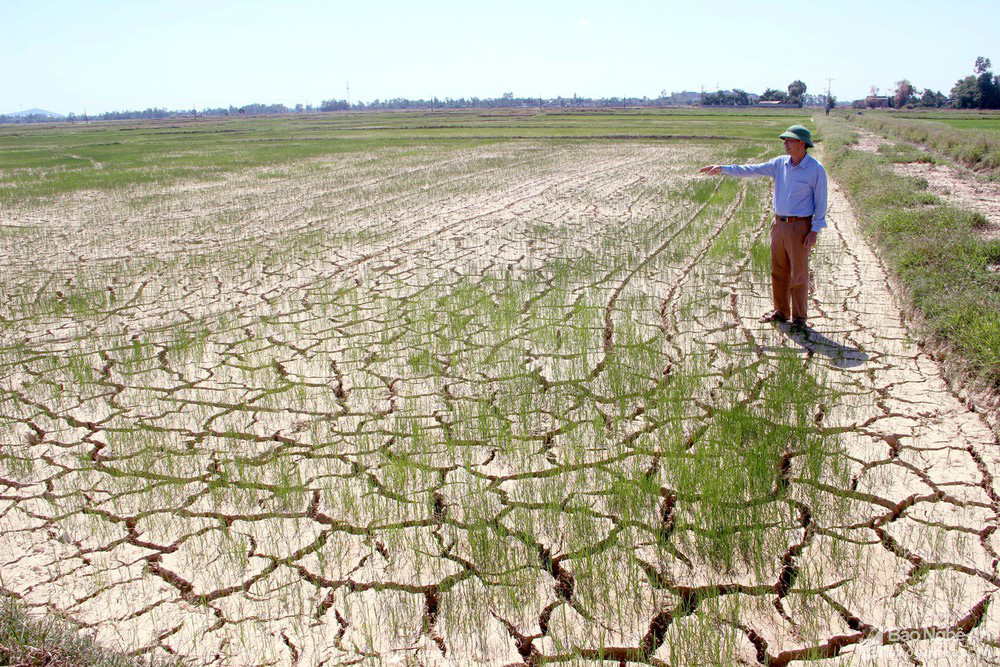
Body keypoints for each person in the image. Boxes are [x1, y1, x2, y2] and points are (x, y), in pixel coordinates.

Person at [699, 124, 827, 331]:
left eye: (790, 140)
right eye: (784, 140)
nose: (785, 143)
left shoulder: (815, 170)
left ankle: (800, 319)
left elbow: (821, 203)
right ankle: (781, 312)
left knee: (799, 273)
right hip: (779, 225)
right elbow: (752, 170)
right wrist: (723, 168)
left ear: (802, 143)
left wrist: (814, 231)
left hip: (800, 226)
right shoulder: (779, 164)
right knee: (778, 270)